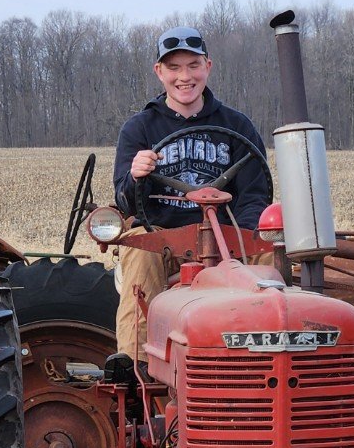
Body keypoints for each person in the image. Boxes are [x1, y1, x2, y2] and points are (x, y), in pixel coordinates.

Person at [112, 25, 271, 362]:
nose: (184, 77)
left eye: (193, 65)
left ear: (207, 67)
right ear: (159, 72)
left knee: (271, 253)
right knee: (140, 253)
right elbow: (126, 202)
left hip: (226, 237)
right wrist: (136, 175)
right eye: (174, 68)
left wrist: (236, 240)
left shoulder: (237, 126)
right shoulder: (140, 129)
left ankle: (268, 354)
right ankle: (137, 366)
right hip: (164, 237)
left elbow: (256, 194)